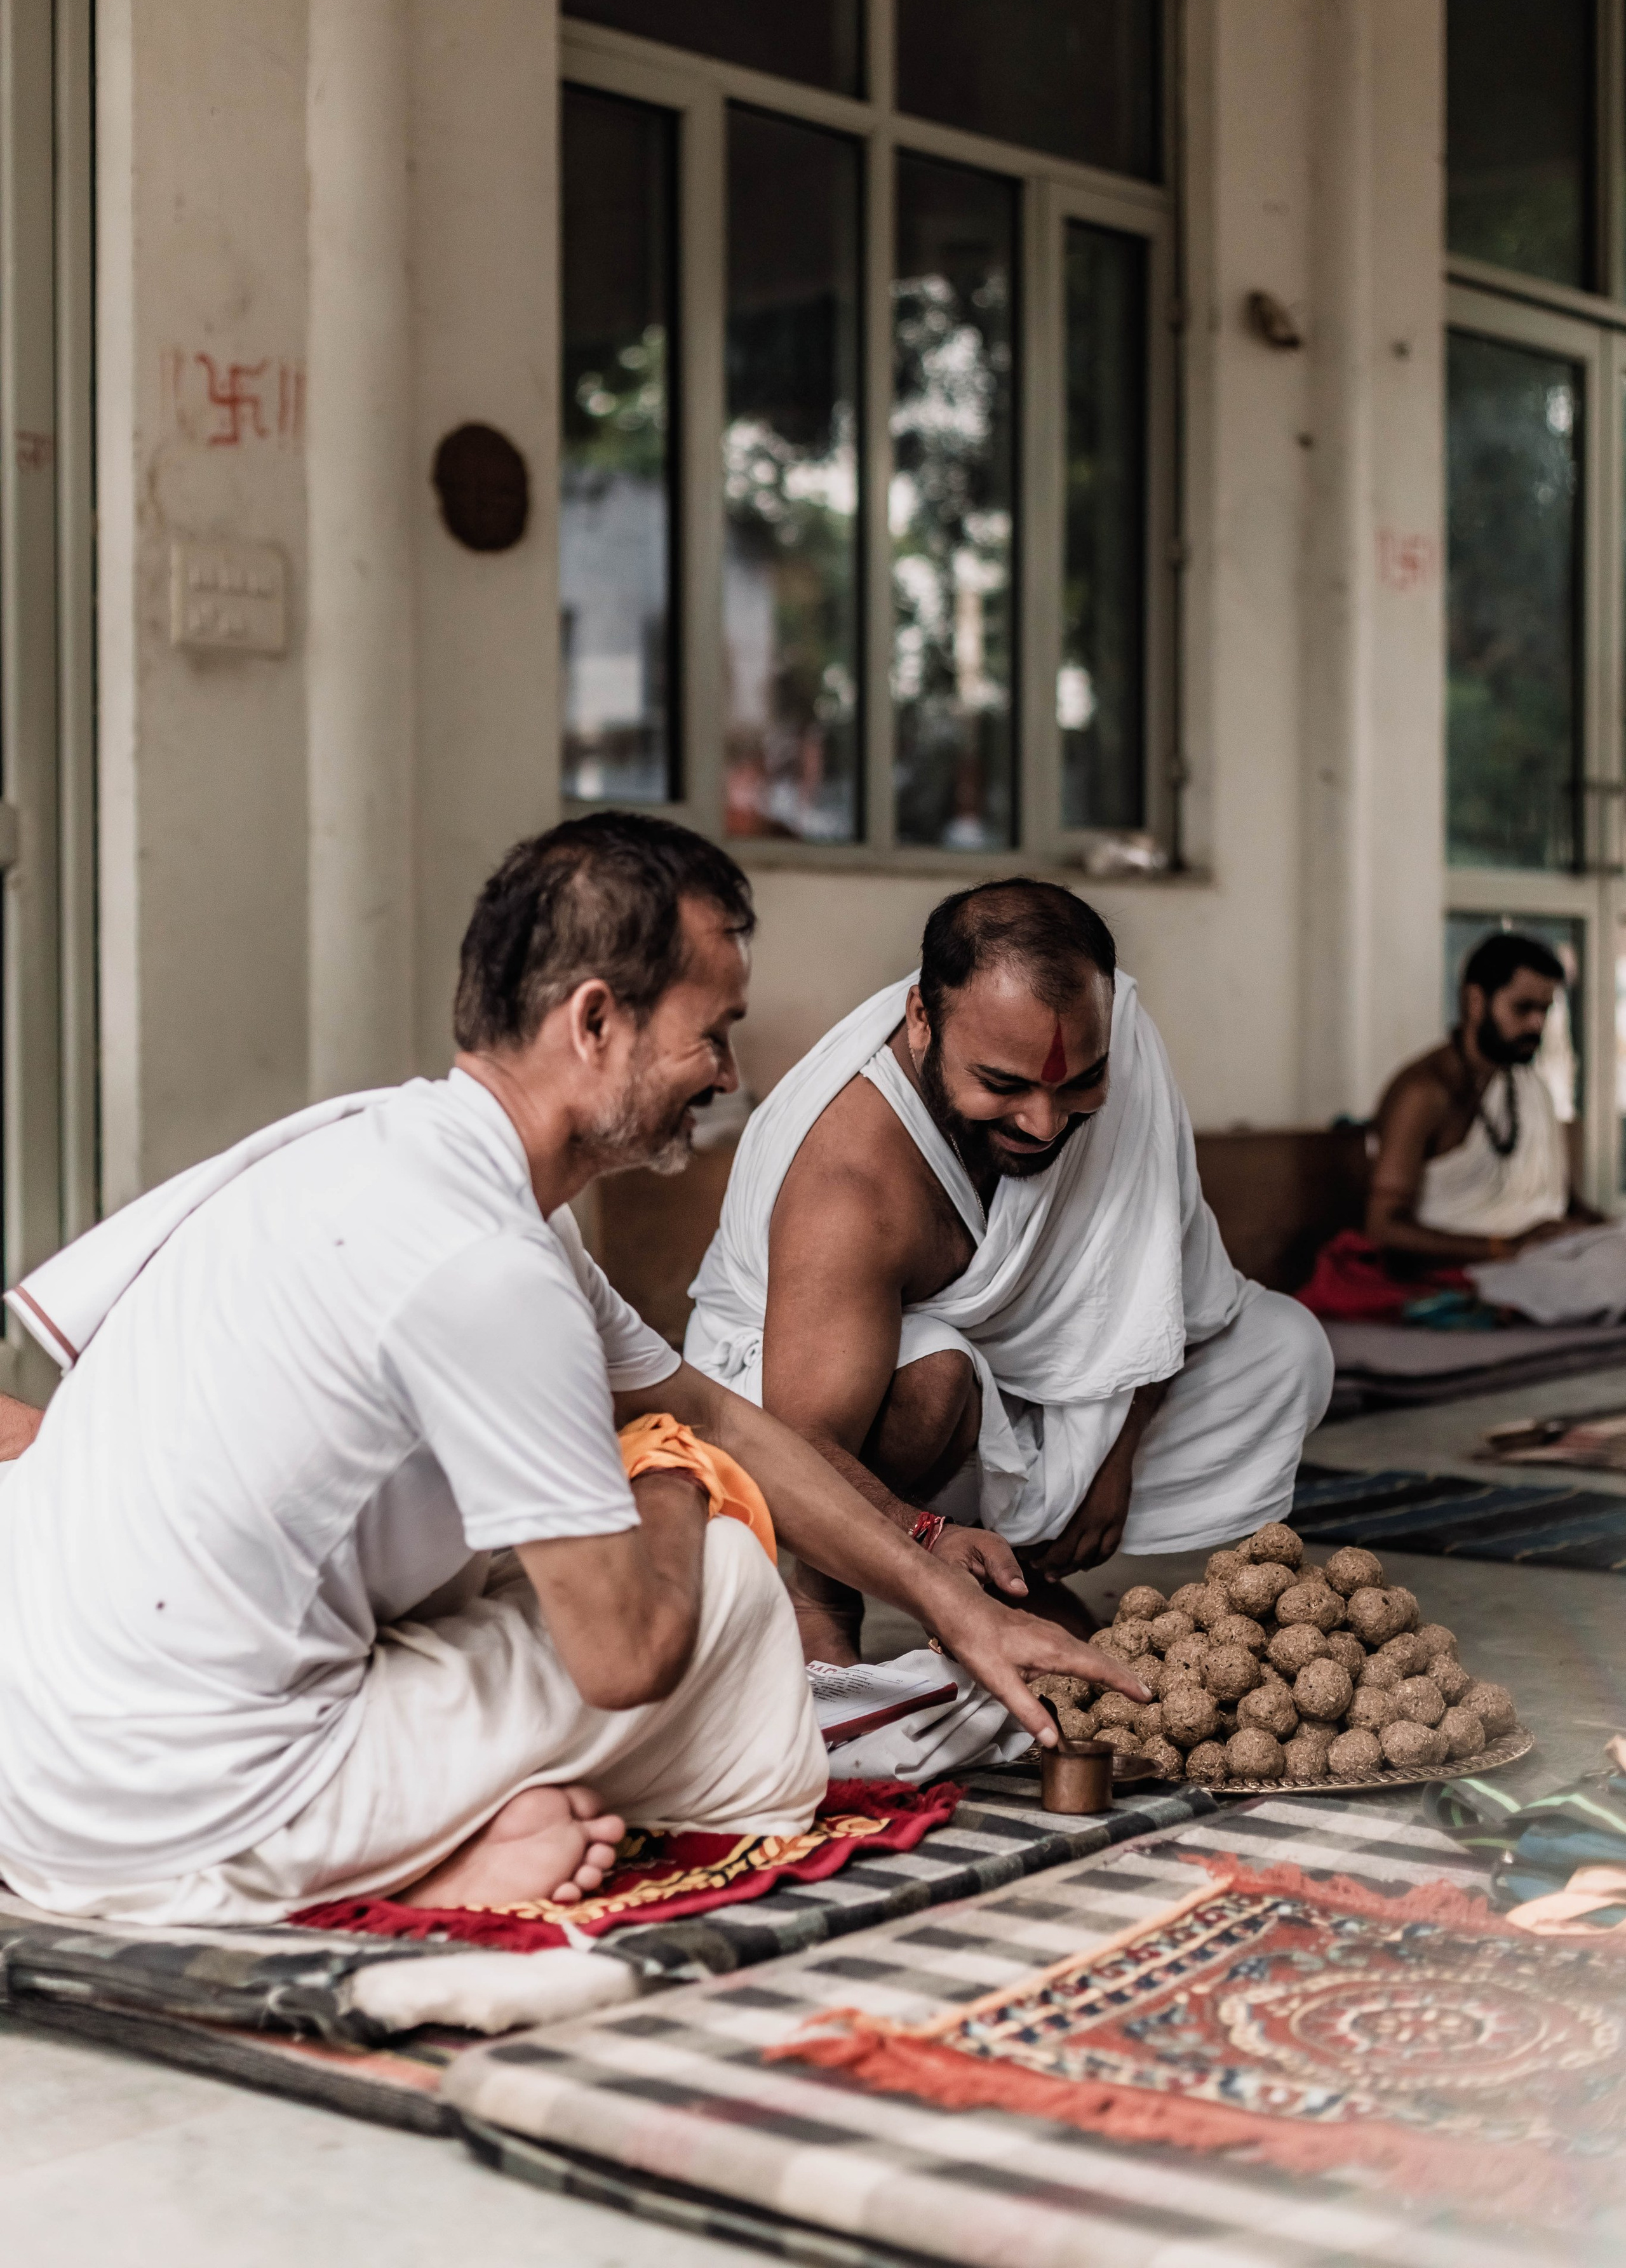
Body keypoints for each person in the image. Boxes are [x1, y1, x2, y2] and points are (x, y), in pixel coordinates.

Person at [0, 818, 1139, 1928]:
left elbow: (717, 1412)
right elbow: (629, 1652)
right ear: (597, 1021)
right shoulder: (490, 1271)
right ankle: (398, 1856)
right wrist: (672, 1477)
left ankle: (425, 1820)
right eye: (713, 1033)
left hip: (42, 1742)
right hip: (178, 1808)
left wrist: (952, 1604)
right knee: (731, 1593)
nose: (732, 1074)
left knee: (525, 1545)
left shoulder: (394, 1154)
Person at [685, 879, 1333, 1667]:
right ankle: (822, 1592)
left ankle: (1009, 1574)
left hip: (1014, 1388)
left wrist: (1114, 1457)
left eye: (1076, 1085)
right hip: (791, 1411)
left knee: (1282, 1346)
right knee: (935, 1366)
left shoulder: (1122, 1041)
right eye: (1003, 1085)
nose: (1043, 1123)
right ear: (922, 1019)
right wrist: (926, 1538)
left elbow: (1167, 1293)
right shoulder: (850, 1183)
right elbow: (799, 1441)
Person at [1300, 930, 1626, 1330]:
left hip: (1547, 1259)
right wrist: (1505, 1247)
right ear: (1476, 1001)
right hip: (1470, 1270)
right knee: (1612, 1276)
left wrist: (1602, 1229)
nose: (1537, 1024)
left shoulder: (1531, 1087)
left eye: (1545, 1010)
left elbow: (1566, 1205)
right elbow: (1384, 1227)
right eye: (1523, 1008)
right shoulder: (1424, 1093)